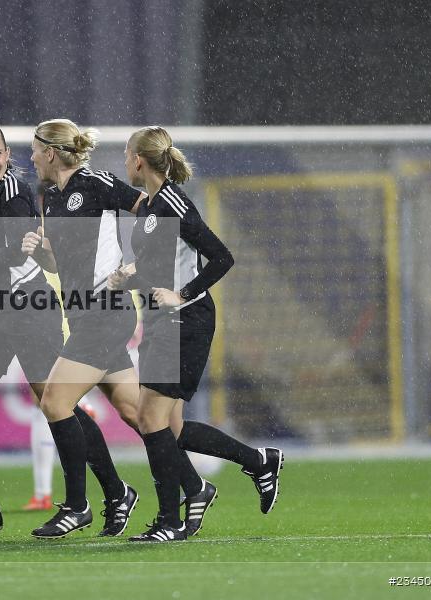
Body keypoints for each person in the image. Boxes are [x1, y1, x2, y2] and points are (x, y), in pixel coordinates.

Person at [0, 117, 134, 539]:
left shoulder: (15, 191)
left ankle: (113, 492)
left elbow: (15, 253)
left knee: (58, 406)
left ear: (8, 155)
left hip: (30, 307)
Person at [109, 126, 284, 542]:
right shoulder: (151, 206)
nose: (124, 161)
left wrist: (181, 294)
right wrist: (129, 278)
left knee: (151, 421)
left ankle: (170, 520)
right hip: (160, 320)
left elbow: (222, 257)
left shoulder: (171, 202)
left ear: (138, 160)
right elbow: (161, 265)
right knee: (169, 429)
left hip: (186, 320)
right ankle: (258, 461)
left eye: (126, 154)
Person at [21, 118, 189, 539]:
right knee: (137, 413)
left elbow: (153, 211)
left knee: (56, 403)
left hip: (107, 310)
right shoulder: (50, 196)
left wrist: (143, 265)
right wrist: (41, 254)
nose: (31, 156)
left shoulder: (95, 182)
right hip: (83, 313)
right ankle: (190, 485)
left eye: (34, 149)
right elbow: (60, 265)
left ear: (51, 152)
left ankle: (77, 506)